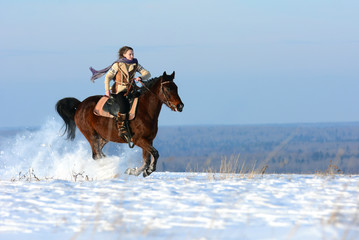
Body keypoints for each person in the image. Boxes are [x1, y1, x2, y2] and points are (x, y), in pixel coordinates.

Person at [89, 46, 151, 138]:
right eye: (130, 54)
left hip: (132, 89)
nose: (132, 55)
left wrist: (141, 77)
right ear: (124, 55)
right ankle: (121, 128)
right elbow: (108, 77)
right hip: (119, 90)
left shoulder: (136, 64)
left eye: (133, 54)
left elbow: (147, 73)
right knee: (124, 106)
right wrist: (107, 90)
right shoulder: (117, 65)